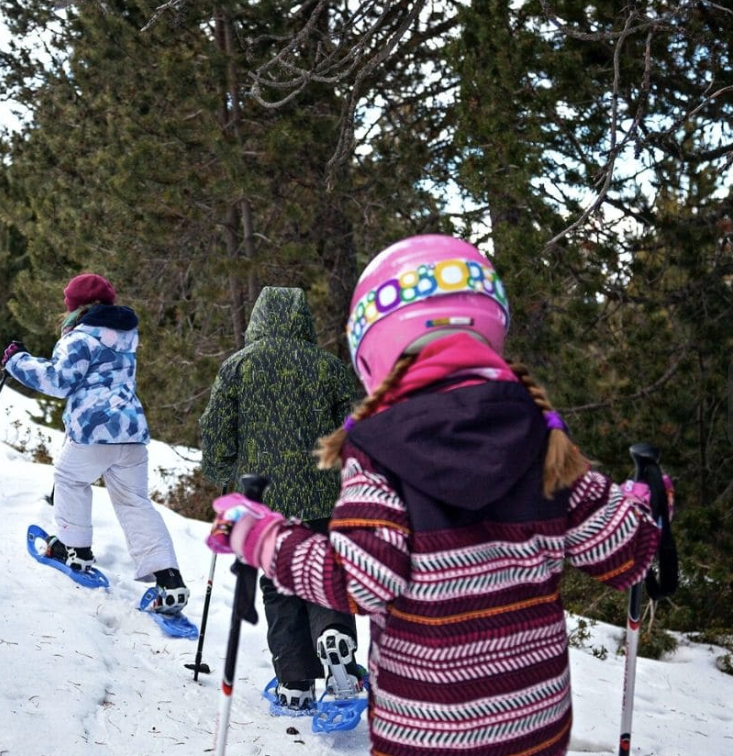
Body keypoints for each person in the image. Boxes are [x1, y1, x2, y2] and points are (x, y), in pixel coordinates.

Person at [207, 235, 663, 756]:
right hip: (535, 727)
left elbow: (356, 580)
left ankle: (296, 670)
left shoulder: (380, 451)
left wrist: (258, 534)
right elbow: (625, 551)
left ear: (372, 347)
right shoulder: (542, 438)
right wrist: (640, 503)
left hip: (424, 729)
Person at [199, 286, 361, 711]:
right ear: (302, 320)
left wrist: (223, 472)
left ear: (258, 319)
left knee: (279, 585)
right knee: (325, 573)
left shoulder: (237, 367)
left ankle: (295, 683)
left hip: (264, 500)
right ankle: (335, 637)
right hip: (323, 493)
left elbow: (216, 430)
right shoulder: (328, 367)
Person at [1, 273, 189, 613]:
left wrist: (17, 361)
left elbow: (59, 381)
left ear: (74, 307)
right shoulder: (127, 334)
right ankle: (169, 579)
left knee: (70, 478)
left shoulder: (79, 339)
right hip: (131, 433)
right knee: (134, 501)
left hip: (93, 431)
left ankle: (74, 550)